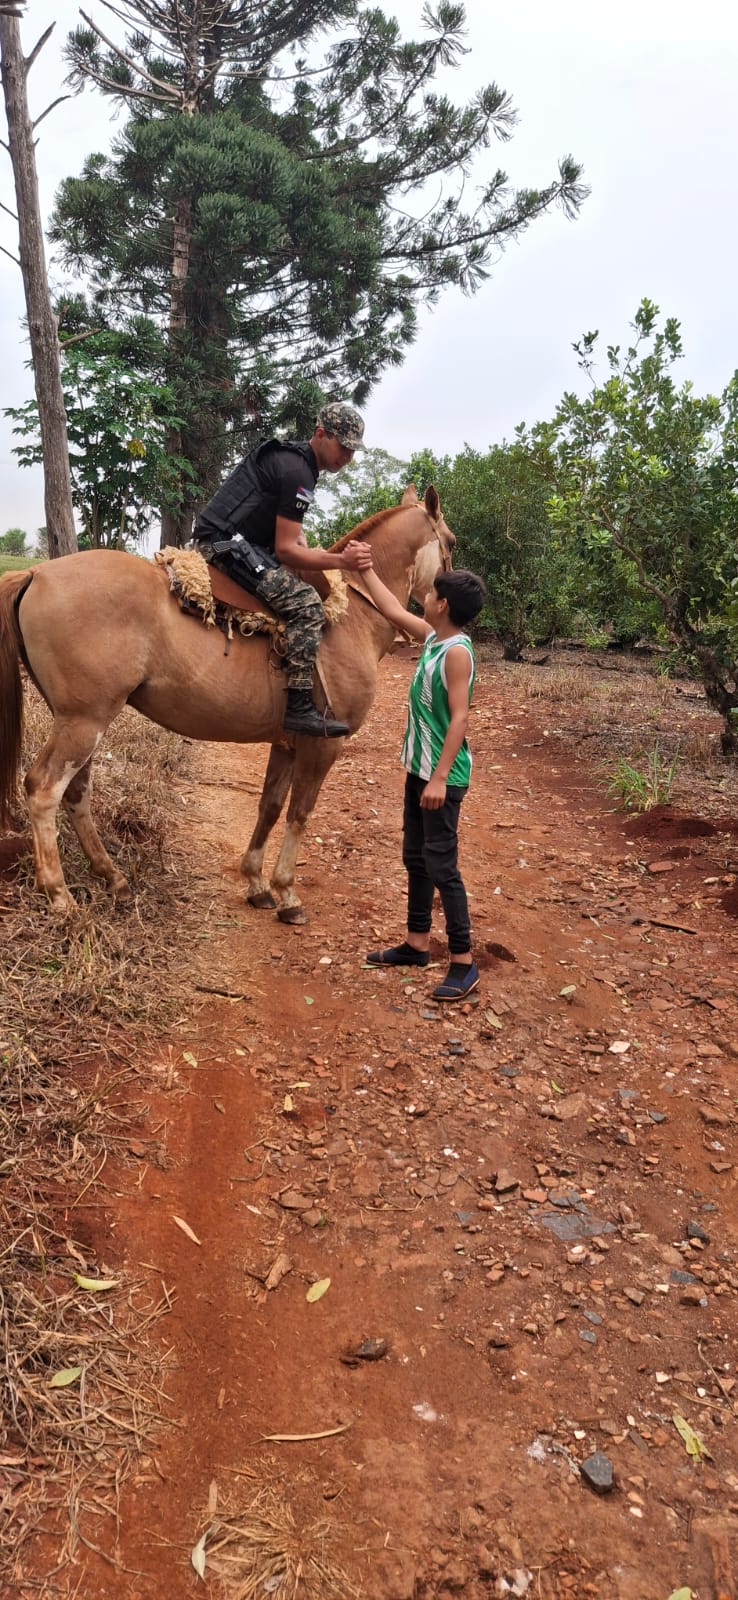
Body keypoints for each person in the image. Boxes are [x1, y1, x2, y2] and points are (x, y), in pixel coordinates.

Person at [193, 402, 373, 738]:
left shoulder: (295, 462)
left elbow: (284, 534)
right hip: (223, 544)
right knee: (306, 603)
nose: (347, 457)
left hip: (233, 539)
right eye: (343, 447)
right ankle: (299, 705)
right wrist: (342, 562)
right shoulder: (299, 472)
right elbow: (286, 549)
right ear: (321, 434)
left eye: (352, 451)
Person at [361, 564, 486, 1002]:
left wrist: (437, 779)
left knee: (442, 866)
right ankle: (417, 944)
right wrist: (366, 570)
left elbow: (460, 718)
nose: (424, 600)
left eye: (431, 595)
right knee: (416, 858)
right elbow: (393, 609)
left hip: (441, 778)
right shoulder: (434, 639)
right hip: (419, 771)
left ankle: (463, 962)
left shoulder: (456, 653)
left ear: (444, 604)